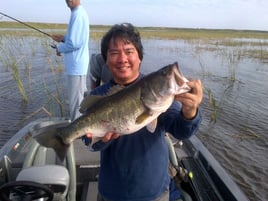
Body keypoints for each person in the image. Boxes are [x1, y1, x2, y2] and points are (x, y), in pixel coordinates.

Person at [82, 23, 203, 201]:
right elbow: (88, 141)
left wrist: (190, 111)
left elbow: (181, 131)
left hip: (155, 192)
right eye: (114, 53)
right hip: (112, 192)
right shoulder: (98, 95)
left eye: (129, 51)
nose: (122, 58)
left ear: (140, 57)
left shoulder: (159, 94)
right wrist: (99, 140)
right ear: (106, 61)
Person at [52, 0, 89, 121]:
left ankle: (75, 134)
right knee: (81, 99)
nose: (68, 1)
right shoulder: (78, 13)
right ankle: (83, 127)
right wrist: (64, 38)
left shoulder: (78, 14)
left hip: (76, 67)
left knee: (76, 103)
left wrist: (59, 47)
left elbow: (75, 43)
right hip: (77, 65)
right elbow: (75, 39)